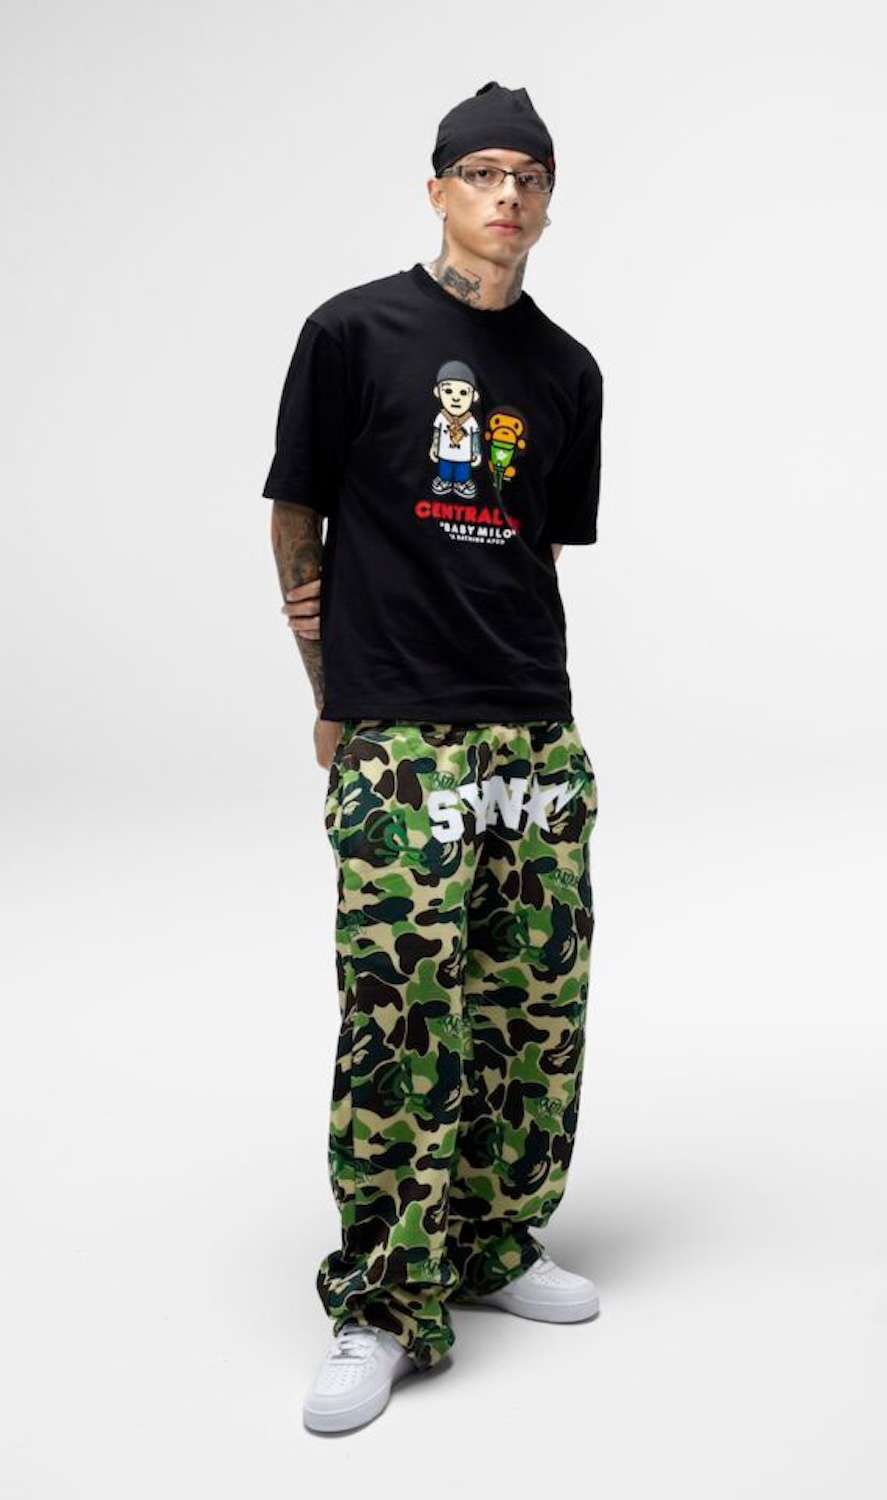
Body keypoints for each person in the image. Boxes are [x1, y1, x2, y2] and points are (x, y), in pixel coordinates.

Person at [262, 80, 604, 1435]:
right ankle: (384, 1299)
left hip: (533, 728)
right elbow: (297, 519)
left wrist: (546, 718)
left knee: (535, 1007)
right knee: (403, 1015)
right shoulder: (352, 333)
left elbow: (539, 551)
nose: (507, 195)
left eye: (530, 177)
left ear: (549, 204)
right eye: (483, 172)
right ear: (438, 189)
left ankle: (495, 1240)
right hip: (400, 729)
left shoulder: (569, 371)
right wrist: (332, 699)